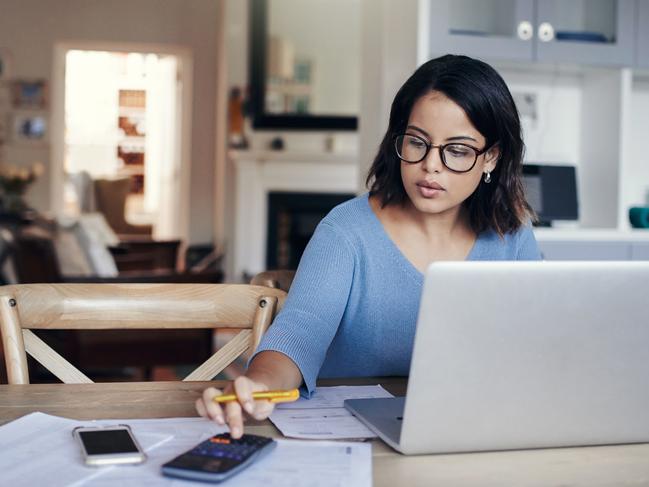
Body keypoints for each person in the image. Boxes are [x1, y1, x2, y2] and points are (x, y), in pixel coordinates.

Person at [196, 54, 542, 438]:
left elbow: (540, 344)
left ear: (491, 157)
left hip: (470, 432)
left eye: (457, 150)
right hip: (350, 438)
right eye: (417, 143)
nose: (431, 166)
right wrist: (258, 385)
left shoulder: (512, 234)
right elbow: (298, 334)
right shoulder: (345, 231)